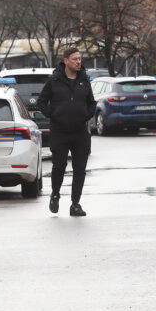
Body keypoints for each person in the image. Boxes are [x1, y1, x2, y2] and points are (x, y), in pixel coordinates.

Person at [38, 47, 96, 217]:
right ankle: (55, 194)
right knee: (59, 166)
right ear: (66, 61)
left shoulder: (84, 80)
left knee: (80, 168)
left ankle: (75, 204)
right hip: (60, 132)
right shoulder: (54, 80)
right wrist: (53, 114)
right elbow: (42, 102)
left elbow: (91, 103)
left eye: (80, 58)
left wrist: (87, 115)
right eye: (74, 59)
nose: (78, 62)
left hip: (80, 132)